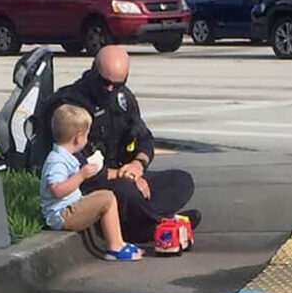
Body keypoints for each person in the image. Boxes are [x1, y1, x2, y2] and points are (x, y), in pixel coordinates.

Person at [50, 45, 199, 243]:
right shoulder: (72, 105)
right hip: (92, 182)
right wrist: (125, 177)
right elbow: (76, 166)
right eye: (105, 83)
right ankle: (156, 226)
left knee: (181, 181)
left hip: (127, 174)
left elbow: (144, 138)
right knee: (127, 192)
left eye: (117, 84)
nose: (111, 89)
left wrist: (138, 165)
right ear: (94, 71)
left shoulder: (123, 98)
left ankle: (140, 224)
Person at [40, 103, 143, 261]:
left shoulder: (65, 156)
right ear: (78, 137)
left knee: (104, 196)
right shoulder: (57, 161)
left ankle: (119, 242)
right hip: (62, 214)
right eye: (86, 136)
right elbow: (57, 190)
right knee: (107, 198)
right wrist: (82, 175)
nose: (86, 140)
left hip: (67, 208)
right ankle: (114, 247)